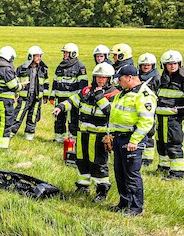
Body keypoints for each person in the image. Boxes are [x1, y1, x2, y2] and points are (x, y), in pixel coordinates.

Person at [53, 63, 117, 201]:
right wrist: (60, 107)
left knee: (98, 163)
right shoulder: (86, 91)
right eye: (98, 77)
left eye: (104, 77)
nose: (100, 80)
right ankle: (83, 186)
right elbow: (73, 101)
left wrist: (100, 97)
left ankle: (102, 191)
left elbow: (109, 112)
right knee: (81, 160)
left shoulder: (114, 94)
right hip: (82, 133)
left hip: (99, 136)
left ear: (109, 79)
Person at [105, 65, 156, 216]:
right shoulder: (123, 93)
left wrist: (134, 141)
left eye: (120, 79)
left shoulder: (144, 95)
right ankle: (124, 202)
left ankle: (135, 208)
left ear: (130, 78)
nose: (118, 82)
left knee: (132, 174)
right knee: (119, 172)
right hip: (119, 138)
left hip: (132, 139)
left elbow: (146, 122)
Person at [152, 50, 184, 180]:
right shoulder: (162, 78)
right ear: (163, 65)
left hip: (173, 120)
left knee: (173, 144)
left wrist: (182, 111)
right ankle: (163, 168)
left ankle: (177, 173)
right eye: (169, 63)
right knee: (161, 143)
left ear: (180, 63)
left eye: (175, 63)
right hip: (161, 118)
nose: (172, 66)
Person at [50, 43, 88, 145]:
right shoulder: (60, 66)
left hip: (72, 101)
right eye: (64, 53)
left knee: (73, 121)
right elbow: (55, 82)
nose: (65, 55)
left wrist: (78, 99)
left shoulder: (80, 67)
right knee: (59, 120)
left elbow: (83, 85)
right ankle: (59, 138)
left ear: (73, 54)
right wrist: (52, 96)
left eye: (67, 53)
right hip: (59, 99)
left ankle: (73, 140)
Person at [14, 45, 49, 140]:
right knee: (18, 115)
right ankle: (11, 133)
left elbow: (45, 83)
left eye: (40, 56)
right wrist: (15, 95)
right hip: (24, 97)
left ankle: (29, 136)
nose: (39, 58)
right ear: (31, 56)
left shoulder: (43, 69)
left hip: (37, 98)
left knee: (33, 117)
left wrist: (45, 95)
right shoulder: (21, 68)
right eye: (36, 56)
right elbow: (16, 83)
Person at [137, 53, 160, 166]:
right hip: (137, 108)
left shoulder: (156, 78)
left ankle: (148, 158)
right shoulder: (137, 77)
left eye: (148, 65)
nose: (146, 67)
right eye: (144, 65)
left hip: (150, 108)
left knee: (149, 132)